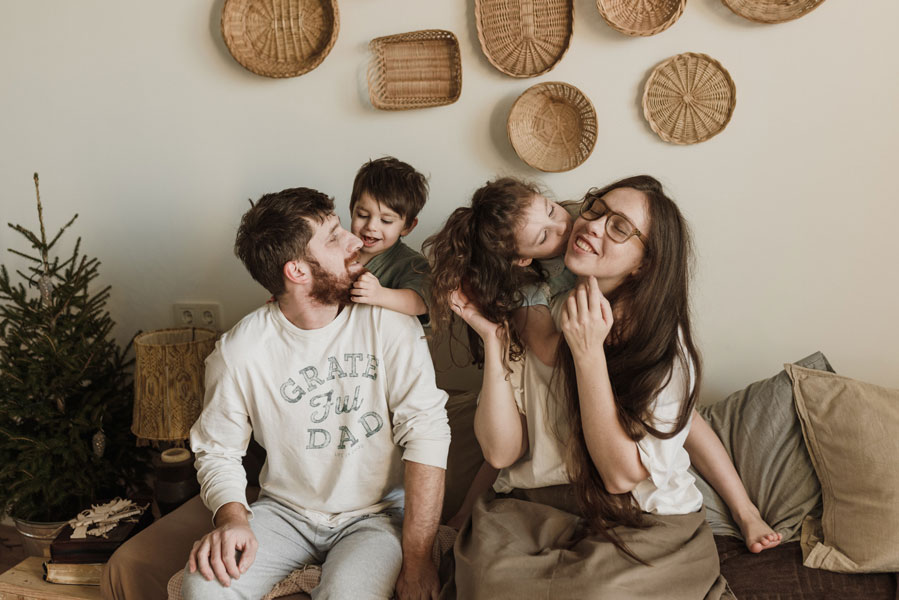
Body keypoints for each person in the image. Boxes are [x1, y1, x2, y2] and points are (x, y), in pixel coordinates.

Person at [427, 176, 781, 554]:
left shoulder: (657, 340)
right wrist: (494, 338)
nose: (588, 225)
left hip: (633, 509)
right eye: (596, 211)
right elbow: (503, 449)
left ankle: (745, 510)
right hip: (543, 507)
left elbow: (621, 474)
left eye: (619, 226)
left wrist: (588, 351)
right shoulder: (532, 307)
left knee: (685, 417)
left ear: (645, 264)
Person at [181, 187, 451, 600]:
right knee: (201, 589)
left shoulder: (390, 324)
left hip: (377, 518)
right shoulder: (239, 352)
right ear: (297, 272)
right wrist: (233, 518)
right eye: (333, 237)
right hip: (284, 513)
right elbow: (217, 450)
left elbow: (428, 433)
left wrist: (417, 560)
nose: (356, 241)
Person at [349, 157, 431, 323]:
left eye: (386, 221)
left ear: (407, 226)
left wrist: (379, 294)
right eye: (362, 215)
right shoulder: (338, 249)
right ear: (352, 209)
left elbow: (421, 303)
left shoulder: (412, 264)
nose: (371, 226)